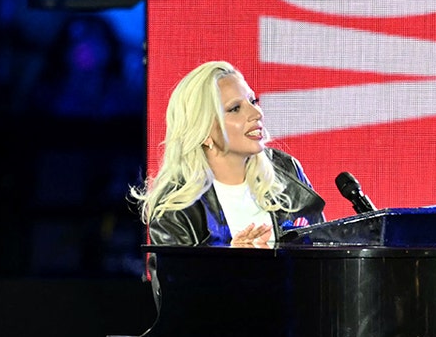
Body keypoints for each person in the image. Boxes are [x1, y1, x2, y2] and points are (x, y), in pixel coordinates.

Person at [131, 61, 325, 256]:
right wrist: (230, 266)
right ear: (204, 131)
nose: (257, 113)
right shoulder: (176, 210)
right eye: (235, 109)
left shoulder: (286, 172)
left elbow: (324, 260)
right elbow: (174, 285)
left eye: (253, 101)